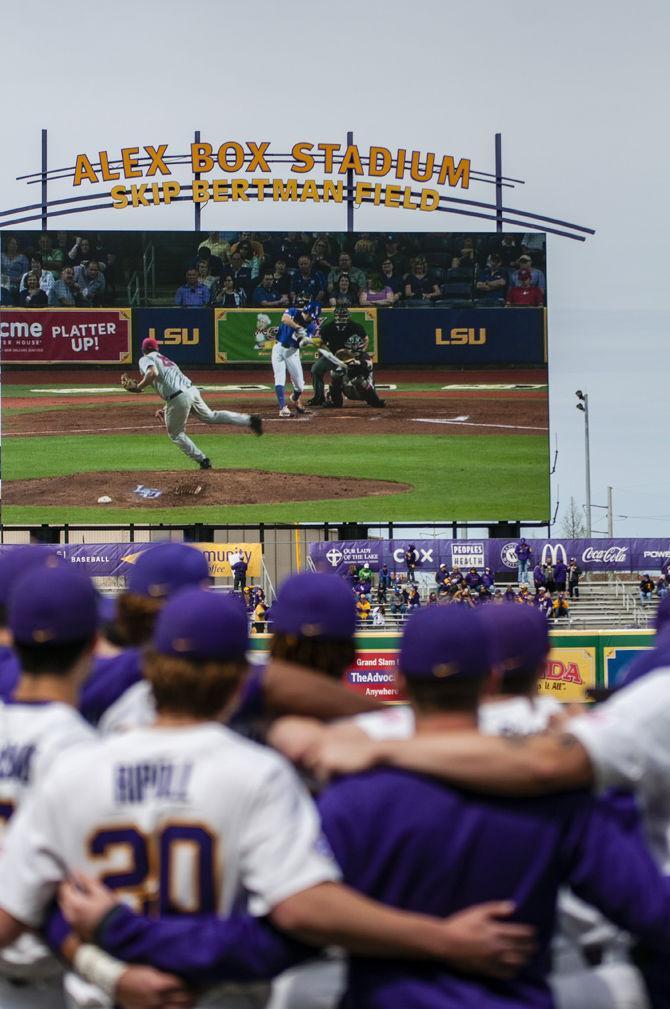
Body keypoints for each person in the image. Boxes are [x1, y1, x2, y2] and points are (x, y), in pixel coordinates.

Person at [0, 590, 532, 1008]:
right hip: (231, 993)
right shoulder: (257, 772)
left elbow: (15, 917)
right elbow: (301, 913)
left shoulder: (72, 768)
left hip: (96, 993)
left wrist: (112, 967)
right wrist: (442, 939)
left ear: (151, 669)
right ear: (239, 679)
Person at [309, 607, 670, 1009]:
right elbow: (651, 911)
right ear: (490, 679)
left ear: (399, 681)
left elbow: (300, 916)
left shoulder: (352, 790)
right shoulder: (553, 792)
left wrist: (425, 938)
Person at [0, 563, 185, 1009]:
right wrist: (105, 971)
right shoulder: (80, 751)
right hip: (56, 970)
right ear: (92, 643)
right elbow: (67, 890)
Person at [122, 337, 262, 470]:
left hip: (178, 397)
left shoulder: (145, 358)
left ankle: (203, 460)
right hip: (191, 391)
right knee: (211, 416)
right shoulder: (167, 361)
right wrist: (167, 407)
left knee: (176, 434)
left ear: (143, 350)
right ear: (157, 349)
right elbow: (176, 386)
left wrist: (139, 387)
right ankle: (250, 420)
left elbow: (152, 372)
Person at [272, 298, 320, 418]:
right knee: (279, 378)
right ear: (307, 311)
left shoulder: (312, 327)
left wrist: (305, 341)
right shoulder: (293, 311)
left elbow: (300, 343)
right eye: (311, 316)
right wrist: (298, 328)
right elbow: (285, 319)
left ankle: (295, 399)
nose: (311, 319)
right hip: (278, 348)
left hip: (292, 351)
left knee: (300, 386)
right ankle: (283, 408)